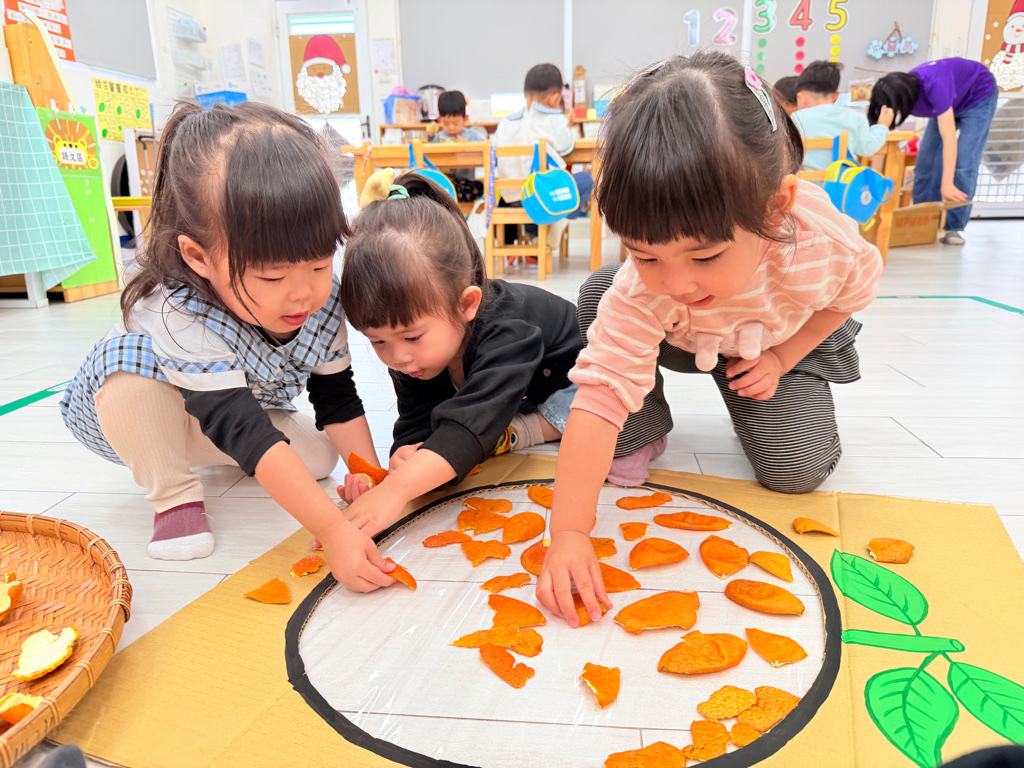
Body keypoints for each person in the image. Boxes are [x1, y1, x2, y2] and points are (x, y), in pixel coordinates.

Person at [536, 51, 883, 626]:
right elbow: (597, 399)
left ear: (775, 208)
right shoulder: (648, 290)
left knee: (796, 472)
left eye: (704, 256)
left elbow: (847, 299)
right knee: (606, 294)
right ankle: (645, 427)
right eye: (645, 254)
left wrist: (782, 356)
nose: (676, 281)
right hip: (689, 338)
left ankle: (779, 380)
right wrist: (569, 531)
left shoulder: (824, 246)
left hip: (779, 339)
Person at [60, 102, 393, 592]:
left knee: (320, 460)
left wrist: (373, 480)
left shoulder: (321, 300)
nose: (304, 293)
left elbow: (337, 397)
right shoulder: (176, 311)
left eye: (320, 264)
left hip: (225, 409)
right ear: (198, 256)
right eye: (273, 277)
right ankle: (173, 495)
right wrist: (331, 528)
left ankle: (200, 448)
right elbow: (241, 426)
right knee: (131, 378)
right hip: (132, 413)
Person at [336, 171, 583, 557]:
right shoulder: (413, 353)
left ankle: (530, 429)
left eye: (412, 337)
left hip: (573, 377)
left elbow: (469, 426)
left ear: (467, 304)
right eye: (377, 341)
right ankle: (514, 428)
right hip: (513, 399)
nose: (398, 357)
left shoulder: (507, 329)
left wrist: (398, 490)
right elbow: (417, 419)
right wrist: (404, 458)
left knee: (605, 417)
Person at [868, 58, 998, 245]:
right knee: (926, 162)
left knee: (964, 161)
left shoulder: (934, 85)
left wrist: (947, 183)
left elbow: (949, 138)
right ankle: (924, 222)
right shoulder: (895, 94)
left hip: (978, 97)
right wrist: (874, 177)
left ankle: (954, 228)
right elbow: (881, 135)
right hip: (948, 102)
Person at [495, 63, 594, 243]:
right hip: (543, 197)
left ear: (525, 95)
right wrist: (568, 126)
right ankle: (554, 225)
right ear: (555, 99)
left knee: (537, 185)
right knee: (587, 180)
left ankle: (534, 234)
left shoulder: (505, 123)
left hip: (511, 198)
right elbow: (567, 149)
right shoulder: (554, 119)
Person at [792, 60, 893, 171]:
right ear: (836, 96)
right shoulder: (856, 117)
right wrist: (882, 126)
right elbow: (866, 149)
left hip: (805, 181)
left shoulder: (795, 118)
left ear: (801, 97)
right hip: (842, 181)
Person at [425, 90, 487, 203]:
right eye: (446, 123)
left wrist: (469, 146)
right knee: (431, 188)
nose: (451, 127)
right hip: (444, 183)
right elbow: (428, 155)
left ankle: (448, 199)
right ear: (439, 119)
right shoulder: (438, 137)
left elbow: (486, 148)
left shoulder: (472, 136)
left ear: (465, 118)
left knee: (479, 187)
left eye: (456, 123)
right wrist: (431, 136)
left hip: (465, 184)